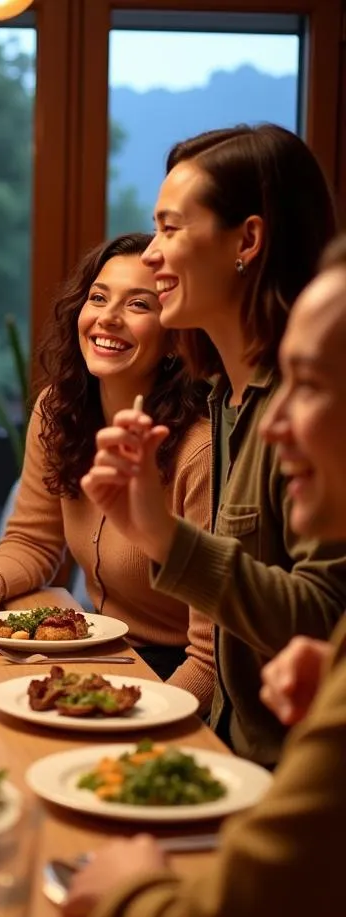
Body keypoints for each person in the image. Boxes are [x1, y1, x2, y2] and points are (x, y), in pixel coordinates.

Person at [62, 234, 346, 917]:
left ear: (251, 243)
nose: (276, 423)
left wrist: (129, 890)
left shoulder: (198, 436)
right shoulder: (82, 410)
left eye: (311, 385)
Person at [81, 124, 346, 765]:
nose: (150, 255)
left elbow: (326, 618)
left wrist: (163, 539)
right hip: (224, 756)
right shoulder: (224, 402)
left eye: (171, 229)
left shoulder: (314, 412)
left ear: (247, 241)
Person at [0, 234, 214, 699]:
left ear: (174, 337)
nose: (108, 317)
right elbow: (33, 540)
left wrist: (148, 721)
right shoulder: (60, 410)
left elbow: (211, 661)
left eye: (138, 304)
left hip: (175, 677)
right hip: (104, 652)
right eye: (98, 297)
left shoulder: (199, 451)